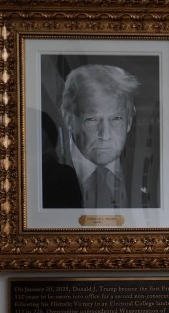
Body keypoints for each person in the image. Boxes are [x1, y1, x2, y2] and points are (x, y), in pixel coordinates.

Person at [42, 64, 156, 209]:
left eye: (116, 119)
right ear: (70, 121)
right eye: (92, 119)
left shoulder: (149, 173)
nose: (105, 135)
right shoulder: (43, 180)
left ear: (130, 120)